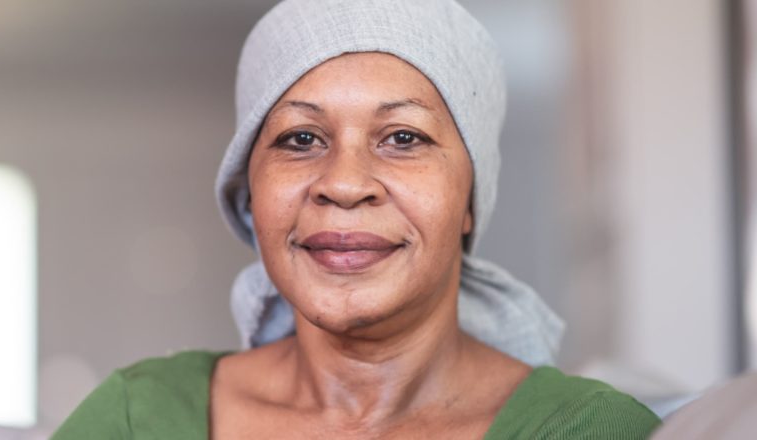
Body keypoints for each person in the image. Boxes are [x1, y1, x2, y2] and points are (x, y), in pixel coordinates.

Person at [53, 0, 661, 438]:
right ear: (248, 193)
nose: (343, 183)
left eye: (402, 136)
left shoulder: (590, 431)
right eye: (299, 139)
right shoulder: (142, 417)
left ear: (471, 197)